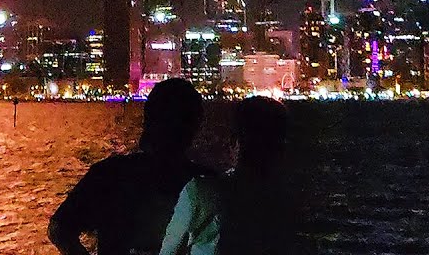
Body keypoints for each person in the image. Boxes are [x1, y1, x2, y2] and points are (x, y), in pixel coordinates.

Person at [49, 78, 209, 255]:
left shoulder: (109, 175)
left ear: (148, 120)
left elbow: (60, 228)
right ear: (195, 127)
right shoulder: (206, 185)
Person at [159, 96, 291, 255]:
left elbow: (169, 249)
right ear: (280, 149)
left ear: (234, 142)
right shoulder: (282, 201)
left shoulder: (200, 192)